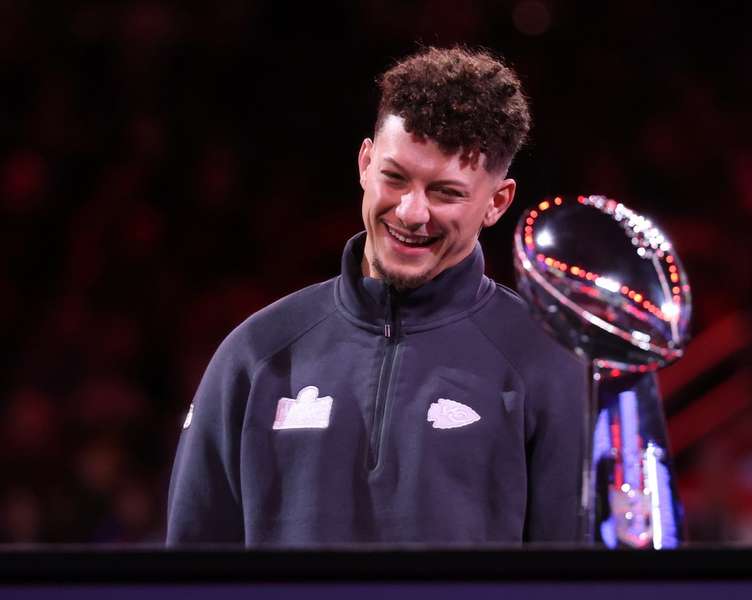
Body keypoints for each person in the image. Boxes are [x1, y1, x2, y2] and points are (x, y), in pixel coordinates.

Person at [166, 46, 589, 545]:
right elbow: (190, 574)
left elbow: (578, 579)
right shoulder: (256, 354)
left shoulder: (549, 362)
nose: (412, 213)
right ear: (365, 164)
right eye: (395, 177)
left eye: (445, 192)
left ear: (497, 202)